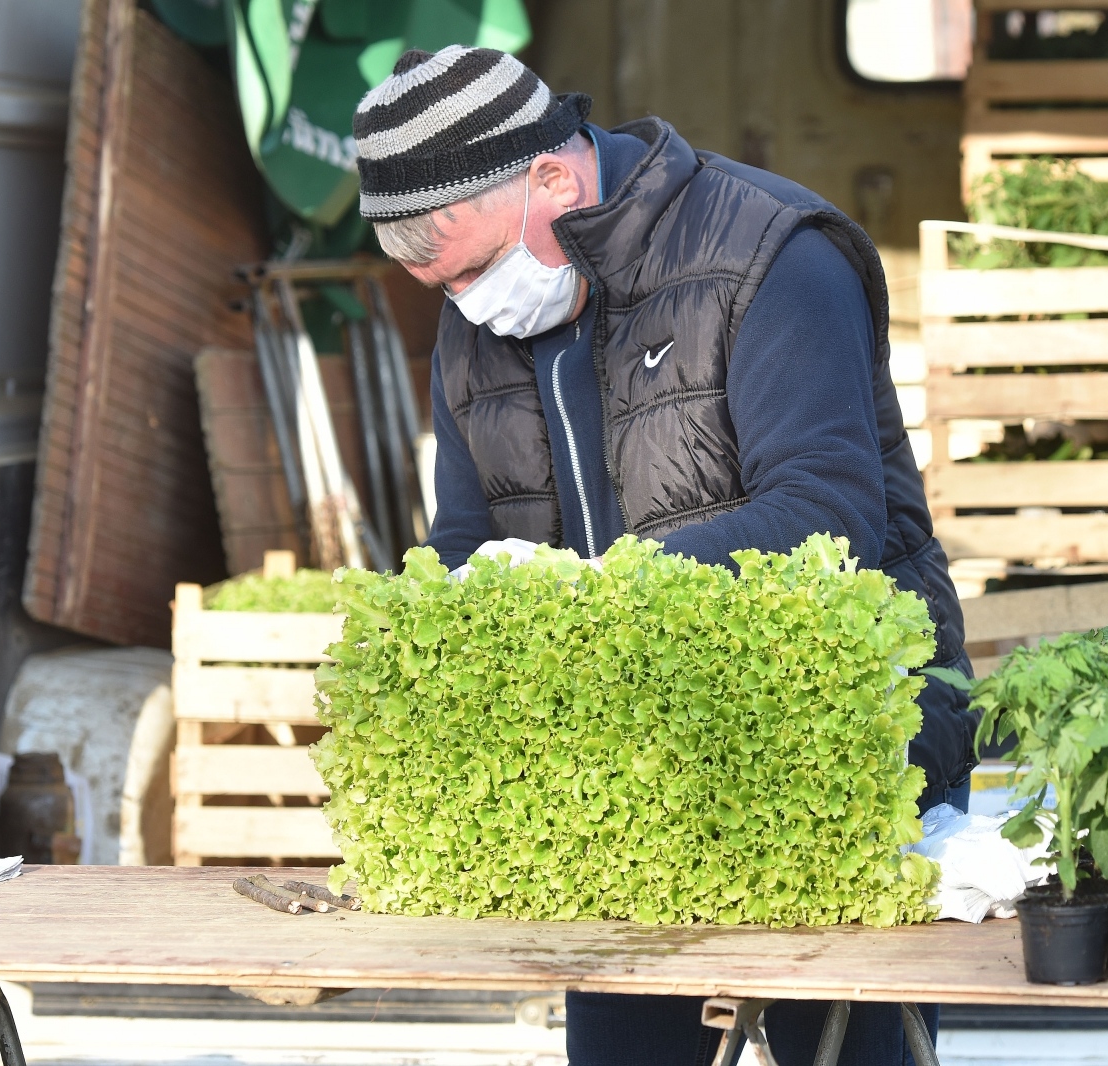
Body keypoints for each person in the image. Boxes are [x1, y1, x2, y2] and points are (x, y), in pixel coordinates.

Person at [352, 45, 976, 1066]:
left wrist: (597, 596)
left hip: (840, 742)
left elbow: (826, 512)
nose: (466, 304)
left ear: (552, 176)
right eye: (438, 285)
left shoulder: (771, 252)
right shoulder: (476, 327)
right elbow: (464, 547)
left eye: (469, 268)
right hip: (634, 773)